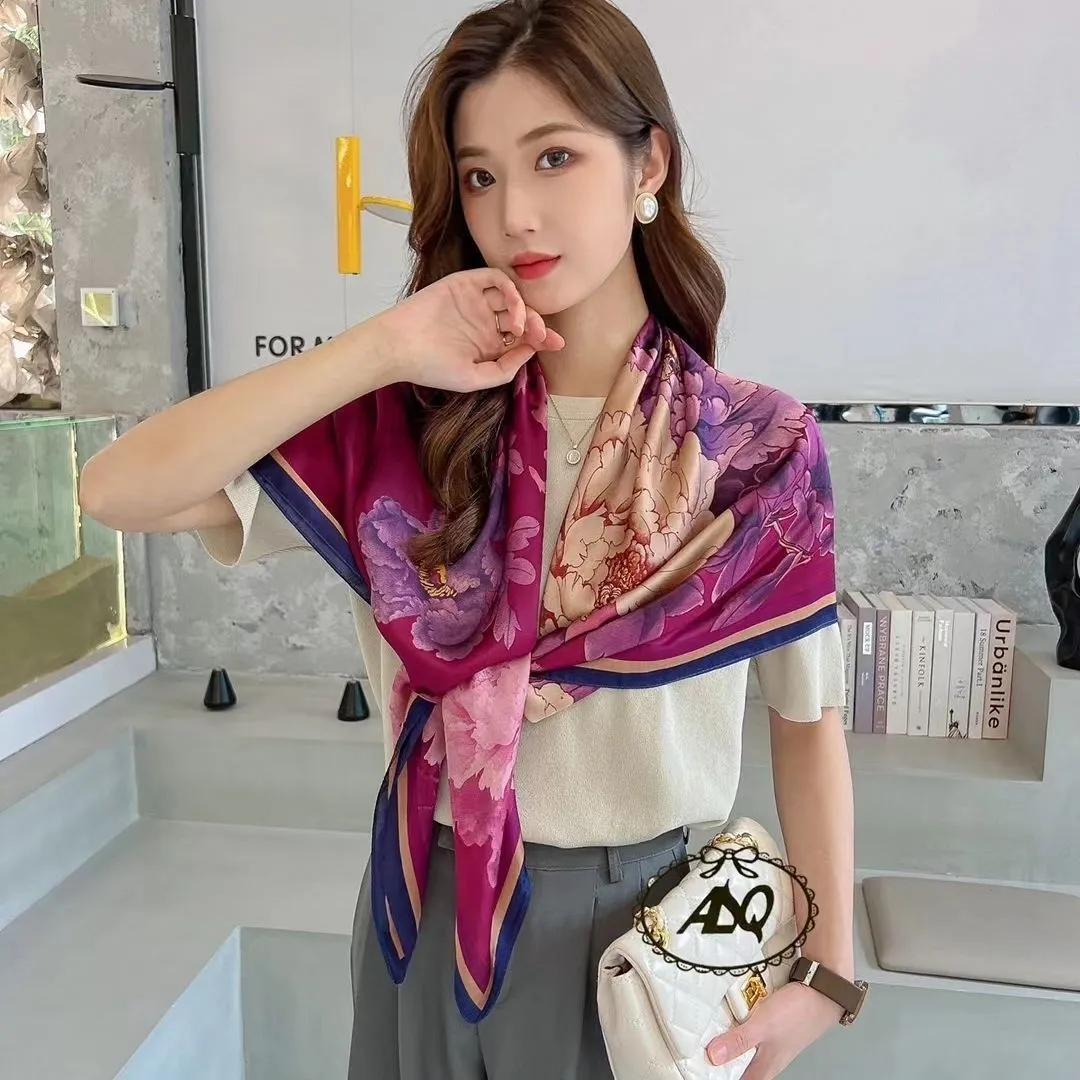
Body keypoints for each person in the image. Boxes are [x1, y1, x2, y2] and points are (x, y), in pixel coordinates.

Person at [78, 1, 858, 1076]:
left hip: (639, 932)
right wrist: (382, 347)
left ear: (648, 165)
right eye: (481, 176)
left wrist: (829, 971)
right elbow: (119, 489)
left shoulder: (751, 450)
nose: (516, 215)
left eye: (555, 157)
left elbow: (808, 723)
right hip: (421, 910)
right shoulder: (410, 434)